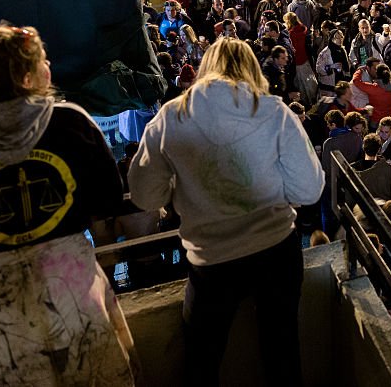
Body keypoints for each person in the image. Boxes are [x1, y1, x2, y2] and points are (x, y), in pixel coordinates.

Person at [0, 24, 137, 385]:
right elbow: (109, 199)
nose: (49, 63)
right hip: (73, 304)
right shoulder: (71, 123)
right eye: (41, 59)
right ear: (23, 76)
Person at [127, 38, 325, 386]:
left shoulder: (170, 117)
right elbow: (308, 189)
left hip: (210, 259)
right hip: (277, 249)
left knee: (202, 358)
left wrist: (181, 193)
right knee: (282, 353)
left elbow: (144, 194)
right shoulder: (274, 111)